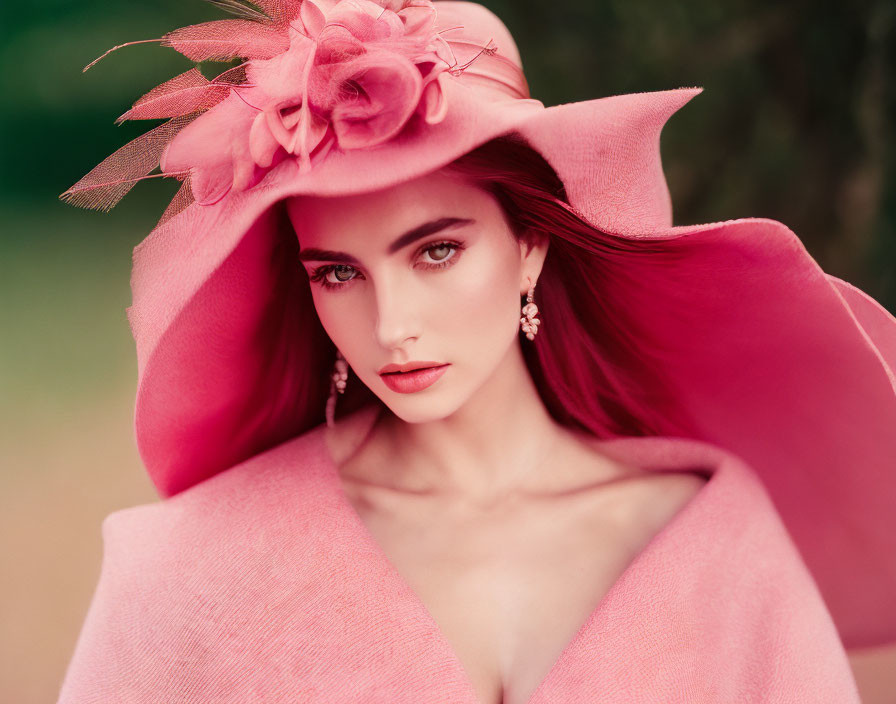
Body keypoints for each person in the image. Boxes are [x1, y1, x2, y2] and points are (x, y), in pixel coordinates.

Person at [56, 1, 896, 702]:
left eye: (436, 251)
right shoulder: (191, 572)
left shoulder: (712, 542)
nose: (392, 326)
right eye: (338, 271)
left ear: (531, 242)